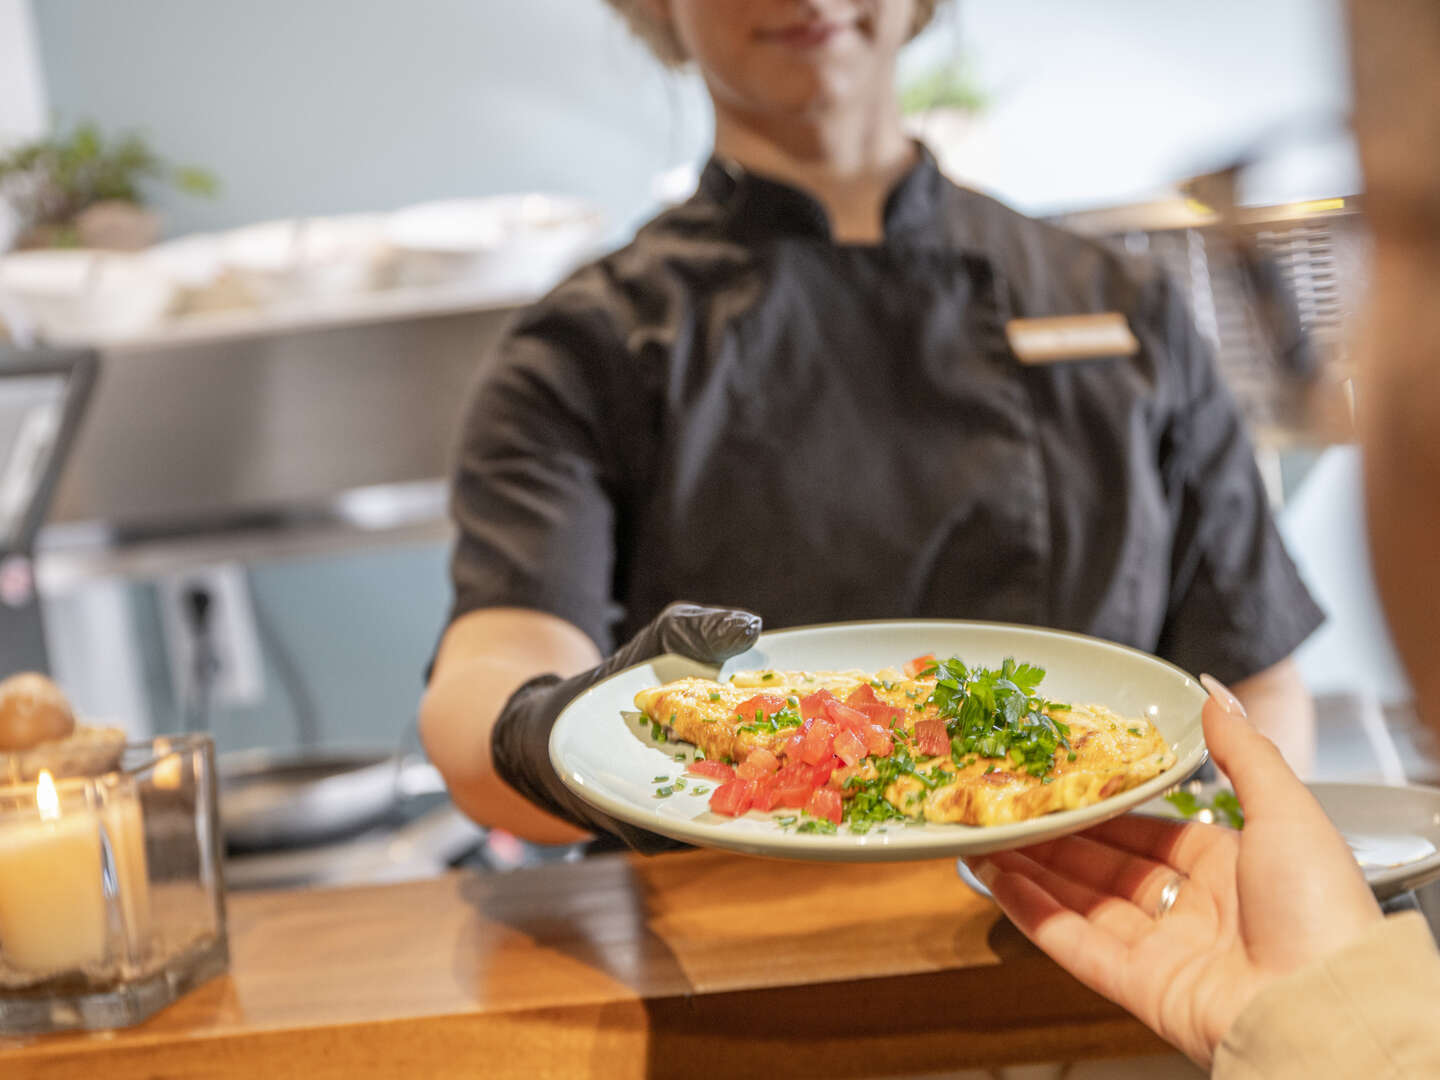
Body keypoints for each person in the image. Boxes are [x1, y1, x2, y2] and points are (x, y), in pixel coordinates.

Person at [419, 0, 1322, 848]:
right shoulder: (583, 345)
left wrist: (1201, 854)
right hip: (737, 950)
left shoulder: (1120, 306)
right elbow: (489, 678)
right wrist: (582, 729)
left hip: (1107, 936)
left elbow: (1254, 681)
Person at [964, 2, 1440, 1074]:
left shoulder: (1110, 295)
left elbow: (1254, 661)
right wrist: (1324, 1021)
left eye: (1386, 232)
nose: (1339, 384)